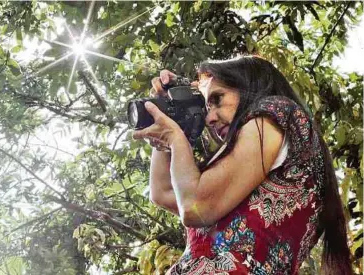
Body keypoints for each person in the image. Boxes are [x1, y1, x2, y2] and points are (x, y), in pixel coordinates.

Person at [132, 56, 351, 274]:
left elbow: (193, 206)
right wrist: (168, 118)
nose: (209, 118)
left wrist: (175, 137)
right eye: (207, 108)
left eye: (217, 99)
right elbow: (163, 193)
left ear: (251, 86)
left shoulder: (277, 112)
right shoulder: (240, 174)